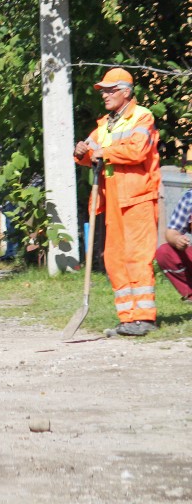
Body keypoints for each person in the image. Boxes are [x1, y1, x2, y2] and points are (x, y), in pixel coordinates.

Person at [74, 67, 161, 336]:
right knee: (114, 259)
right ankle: (127, 318)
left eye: (110, 90)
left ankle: (144, 318)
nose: (105, 95)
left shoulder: (142, 116)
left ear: (126, 92)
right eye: (103, 91)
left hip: (137, 197)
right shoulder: (105, 124)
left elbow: (137, 150)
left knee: (137, 257)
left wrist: (103, 152)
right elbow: (88, 152)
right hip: (112, 198)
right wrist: (80, 151)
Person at [158, 189, 192, 303]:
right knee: (164, 252)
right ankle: (190, 294)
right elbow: (172, 232)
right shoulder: (189, 198)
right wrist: (177, 240)